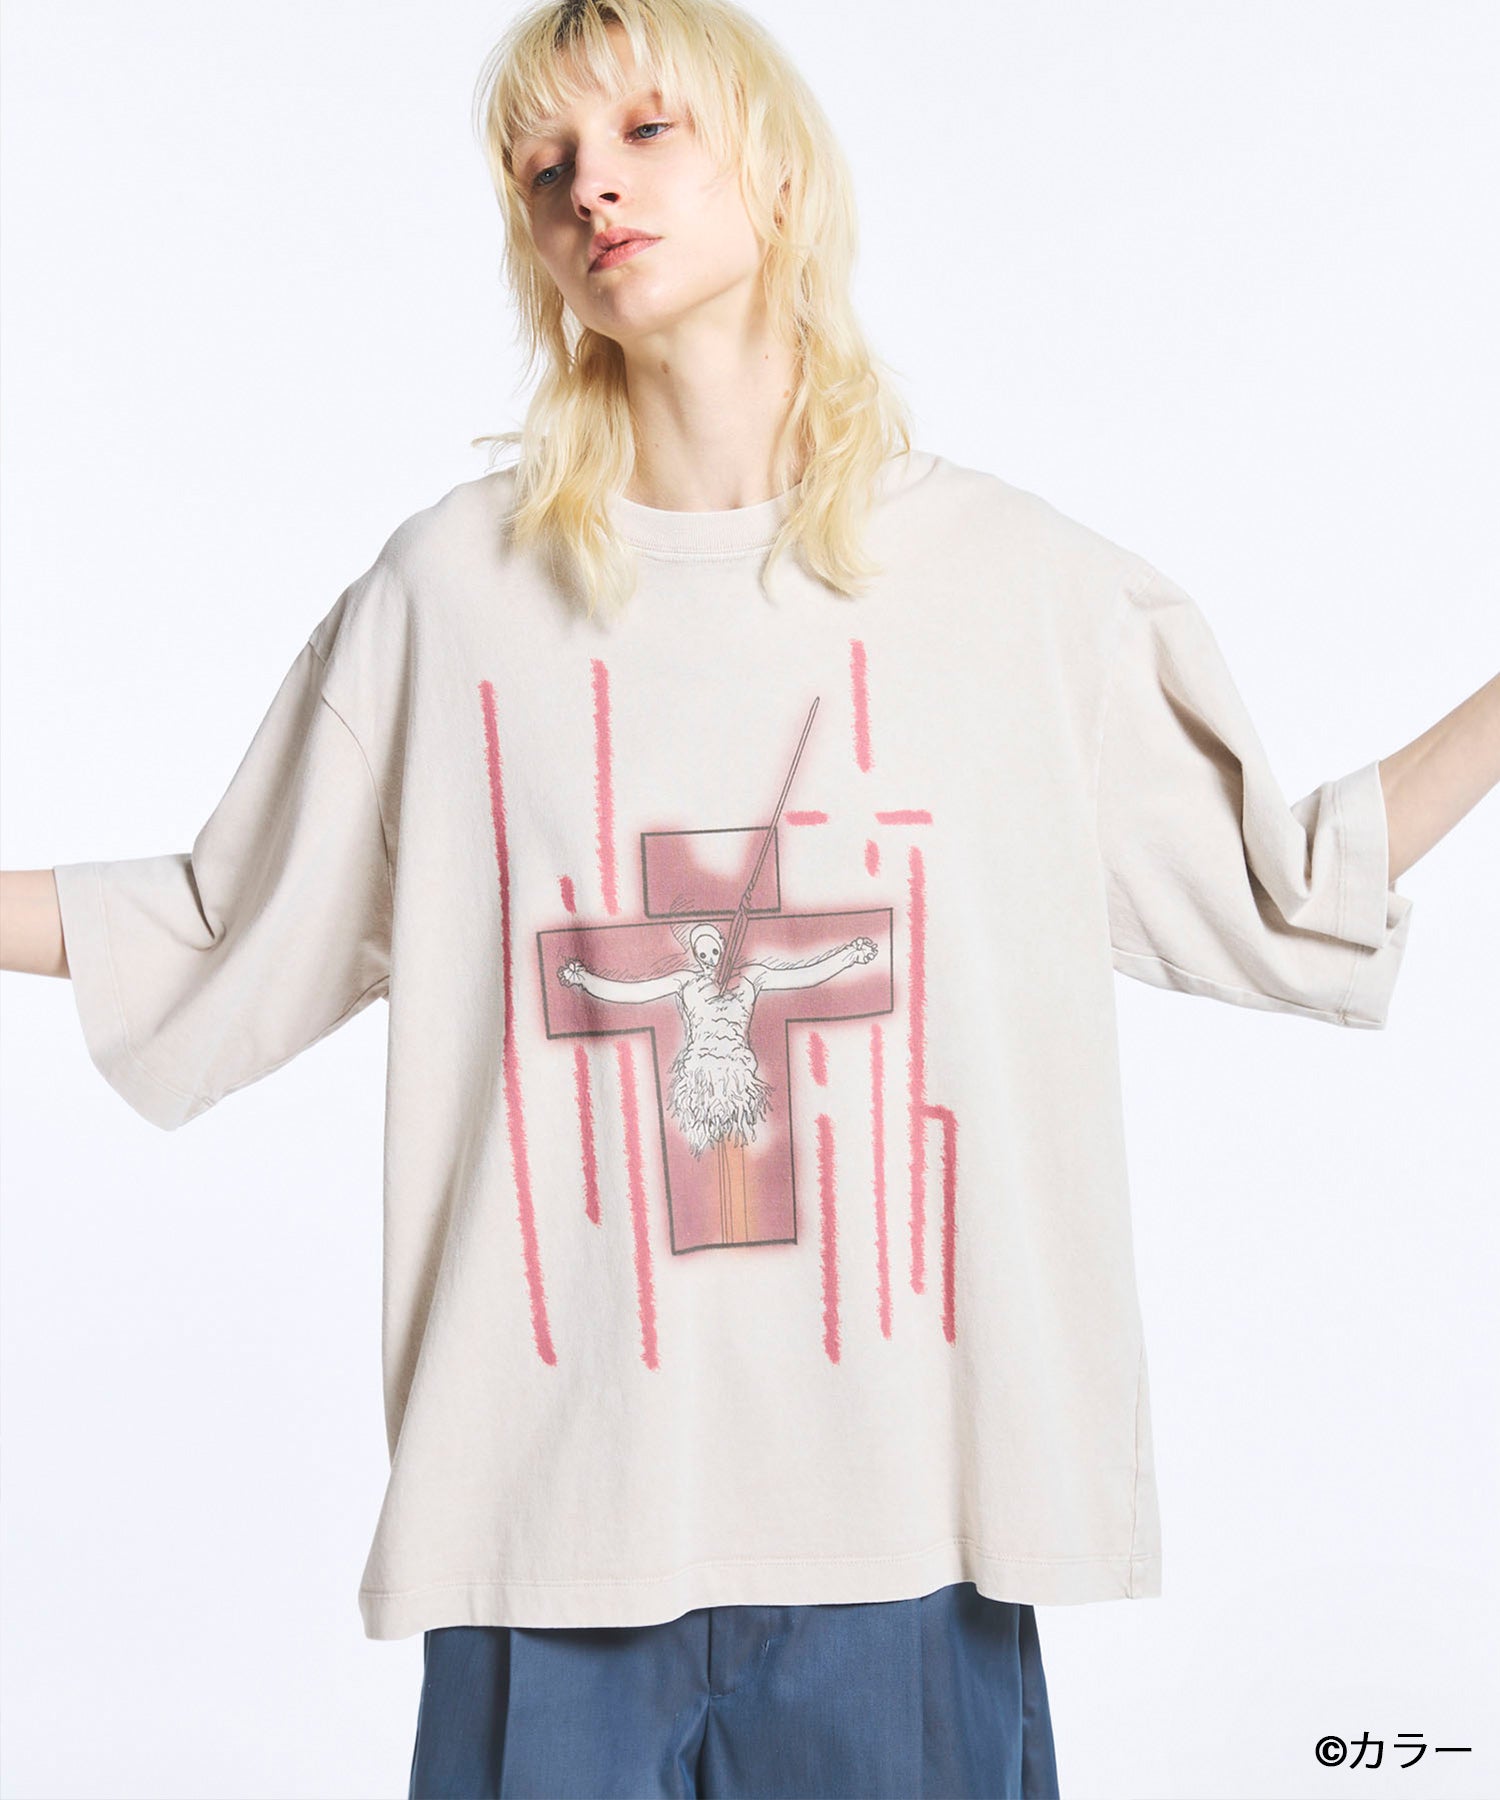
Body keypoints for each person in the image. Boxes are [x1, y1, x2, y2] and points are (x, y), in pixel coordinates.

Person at [1, 1, 1495, 1795]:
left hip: (907, 1534)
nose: (591, 188)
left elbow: (1288, 881)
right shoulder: (452, 601)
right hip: (556, 1523)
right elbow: (215, 923)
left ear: (778, 176)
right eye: (544, 165)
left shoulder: (1007, 589)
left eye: (647, 132)